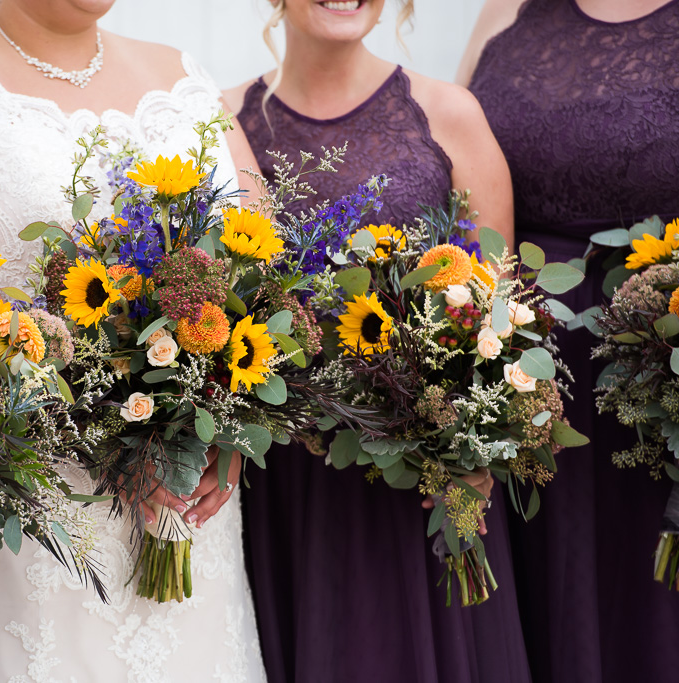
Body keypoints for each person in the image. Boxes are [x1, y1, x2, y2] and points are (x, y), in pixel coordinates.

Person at [0, 0, 267, 680]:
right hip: (39, 518)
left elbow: (261, 271)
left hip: (190, 507)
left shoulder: (183, 75)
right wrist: (121, 432)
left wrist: (227, 420)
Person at [223, 1, 527, 681]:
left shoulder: (449, 115)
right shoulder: (223, 126)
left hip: (419, 488)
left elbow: (501, 315)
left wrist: (480, 446)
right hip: (286, 488)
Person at [461, 1, 679, 681]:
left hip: (651, 382)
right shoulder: (506, 10)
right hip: (526, 383)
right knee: (540, 609)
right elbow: (455, 173)